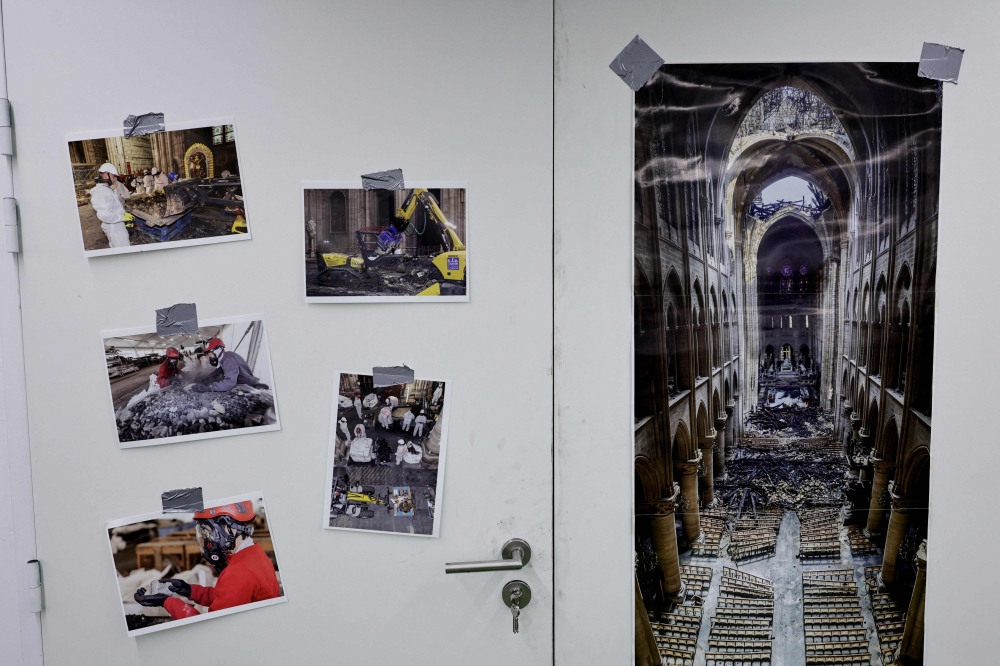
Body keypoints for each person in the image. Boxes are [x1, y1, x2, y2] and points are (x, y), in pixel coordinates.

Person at [133, 501, 280, 619]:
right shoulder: (254, 553)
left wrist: (166, 602)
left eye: (208, 533)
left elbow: (210, 628)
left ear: (229, 528)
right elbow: (227, 596)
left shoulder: (238, 572)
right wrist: (188, 590)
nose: (207, 542)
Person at [190, 338, 265, 392]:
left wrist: (209, 388)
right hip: (243, 383)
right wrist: (206, 378)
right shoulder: (225, 357)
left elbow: (230, 383)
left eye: (210, 353)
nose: (209, 357)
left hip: (248, 386)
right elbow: (220, 370)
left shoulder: (228, 360)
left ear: (217, 350)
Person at [89, 163, 132, 248]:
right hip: (115, 228)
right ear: (106, 175)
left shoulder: (106, 189)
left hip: (115, 224)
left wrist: (123, 214)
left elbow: (112, 207)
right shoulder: (102, 191)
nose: (115, 178)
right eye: (113, 175)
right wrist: (122, 217)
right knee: (124, 251)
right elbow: (104, 215)